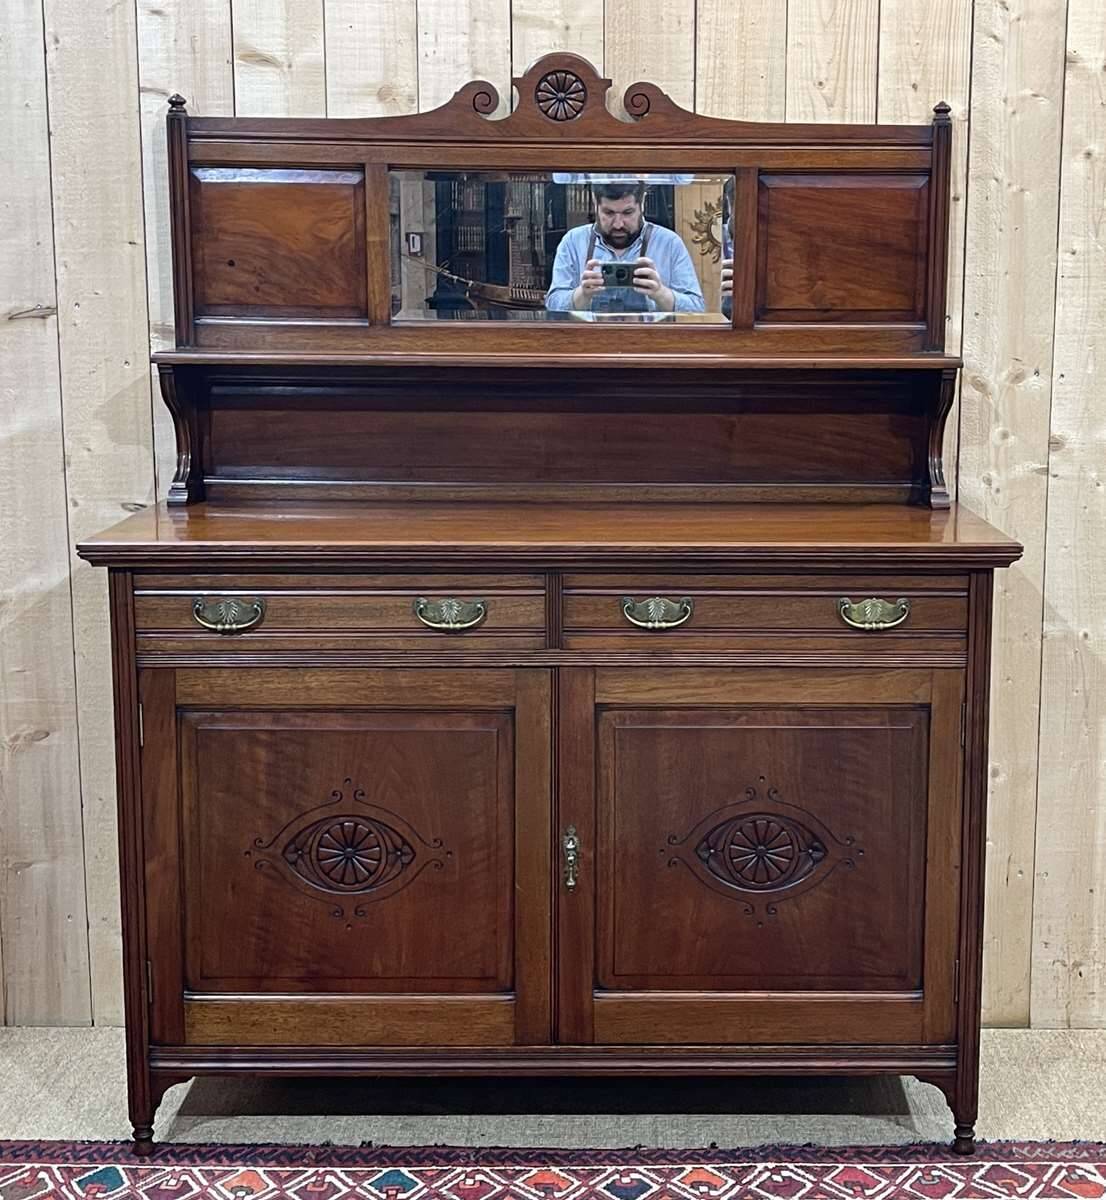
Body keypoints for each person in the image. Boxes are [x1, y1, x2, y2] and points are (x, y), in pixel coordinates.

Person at [545, 181, 705, 313]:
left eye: (628, 213)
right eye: (608, 213)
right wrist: (582, 294)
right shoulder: (573, 242)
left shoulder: (669, 244)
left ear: (642, 203)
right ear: (595, 203)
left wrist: (660, 293)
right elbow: (552, 306)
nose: (618, 224)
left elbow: (696, 310)